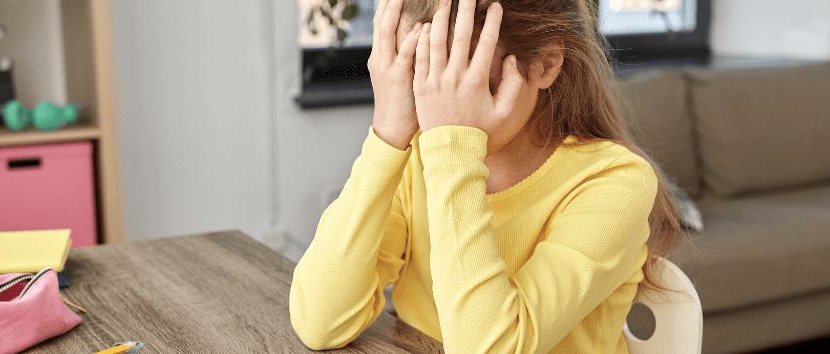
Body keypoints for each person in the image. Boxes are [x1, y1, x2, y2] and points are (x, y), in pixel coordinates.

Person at [289, 0, 683, 352]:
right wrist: (387, 135)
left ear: (546, 64)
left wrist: (454, 147)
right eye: (425, 79)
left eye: (474, 83)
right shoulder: (423, 154)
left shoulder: (616, 182)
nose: (442, 108)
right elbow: (320, 322)